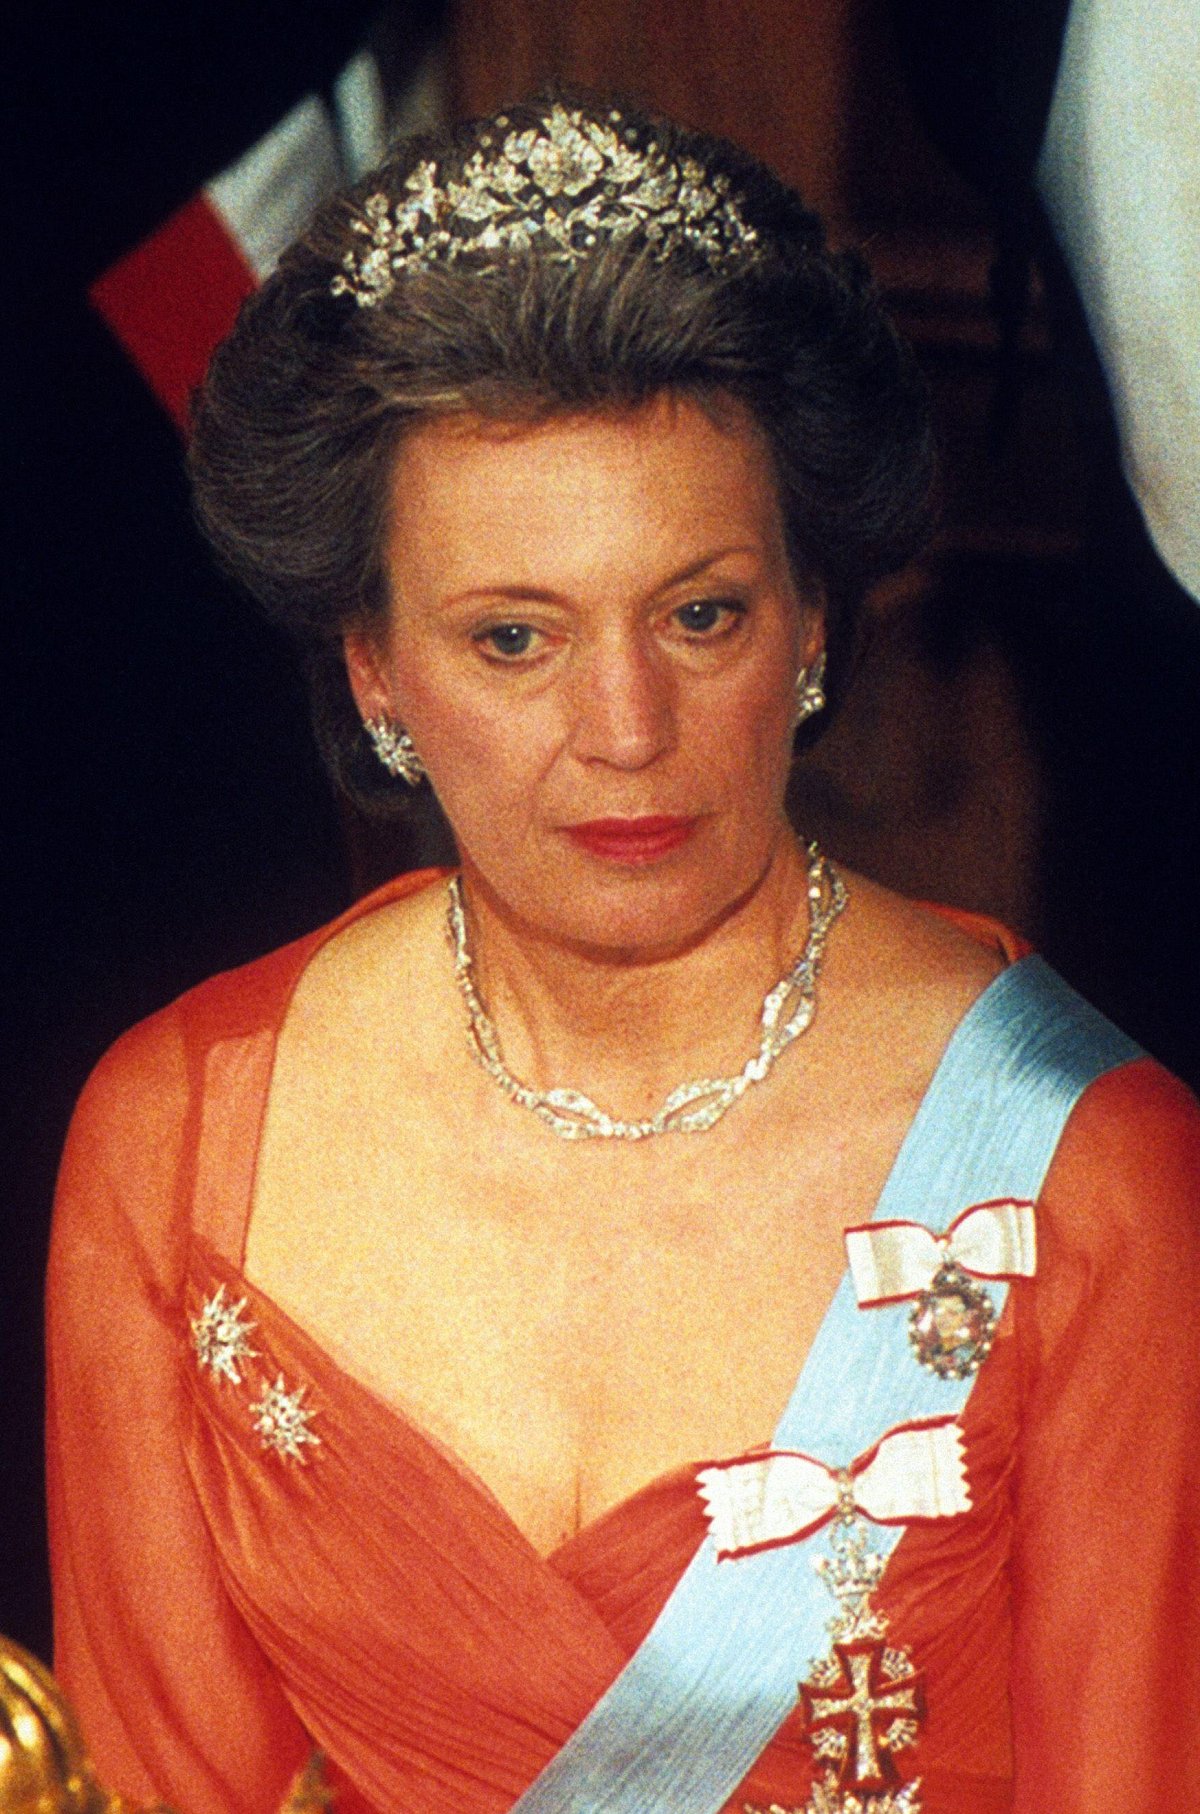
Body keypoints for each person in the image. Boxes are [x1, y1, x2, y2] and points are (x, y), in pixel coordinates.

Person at [45, 93, 1200, 1814]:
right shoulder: (180, 1142)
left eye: (701, 612)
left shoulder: (1091, 1177)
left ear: (813, 621)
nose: (626, 728)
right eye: (515, 637)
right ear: (375, 672)